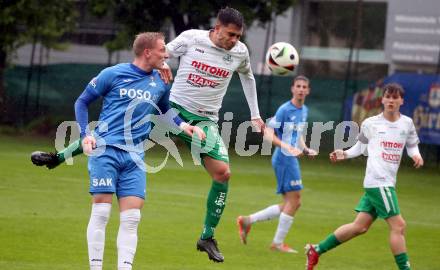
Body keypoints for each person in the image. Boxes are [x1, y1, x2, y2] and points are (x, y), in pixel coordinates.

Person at [31, 7, 265, 263]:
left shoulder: (239, 52)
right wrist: (164, 64)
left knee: (223, 172)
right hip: (172, 108)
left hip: (205, 119)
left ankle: (206, 236)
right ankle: (58, 157)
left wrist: (255, 114)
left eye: (238, 36)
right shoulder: (191, 39)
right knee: (116, 131)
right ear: (217, 28)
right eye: (230, 34)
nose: (235, 40)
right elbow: (161, 53)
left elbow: (249, 77)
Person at [72, 32, 204, 270]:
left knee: (132, 219)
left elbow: (165, 110)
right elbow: (81, 101)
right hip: (106, 150)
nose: (166, 54)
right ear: (147, 52)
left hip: (135, 157)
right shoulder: (112, 74)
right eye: (162, 50)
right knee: (101, 213)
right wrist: (85, 134)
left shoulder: (161, 81)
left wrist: (185, 126)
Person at [305, 83, 424, 270]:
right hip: (378, 182)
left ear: (401, 100)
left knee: (359, 227)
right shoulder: (371, 123)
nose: (391, 100)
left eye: (395, 97)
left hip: (386, 182)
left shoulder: (407, 123)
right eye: (388, 97)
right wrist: (344, 154)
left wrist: (416, 155)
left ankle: (316, 249)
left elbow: (411, 144)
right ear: (382, 99)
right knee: (398, 226)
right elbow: (360, 147)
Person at [236, 75, 317, 253]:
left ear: (308, 90)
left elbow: (298, 134)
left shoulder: (303, 110)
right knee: (295, 201)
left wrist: (305, 149)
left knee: (292, 202)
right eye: (298, 86)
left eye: (305, 86)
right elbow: (268, 134)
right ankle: (277, 243)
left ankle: (248, 220)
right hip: (283, 158)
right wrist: (287, 146)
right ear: (292, 89)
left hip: (291, 158)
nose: (301, 89)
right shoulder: (284, 110)